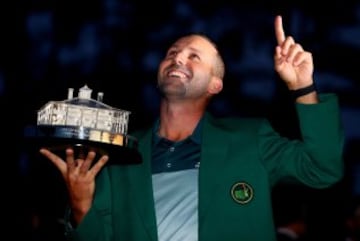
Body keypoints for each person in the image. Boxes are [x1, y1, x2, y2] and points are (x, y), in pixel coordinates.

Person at [39, 15, 344, 241]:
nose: (178, 58)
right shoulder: (119, 156)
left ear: (216, 84)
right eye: (172, 53)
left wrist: (303, 88)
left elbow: (323, 169)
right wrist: (81, 204)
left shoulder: (251, 139)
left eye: (194, 56)